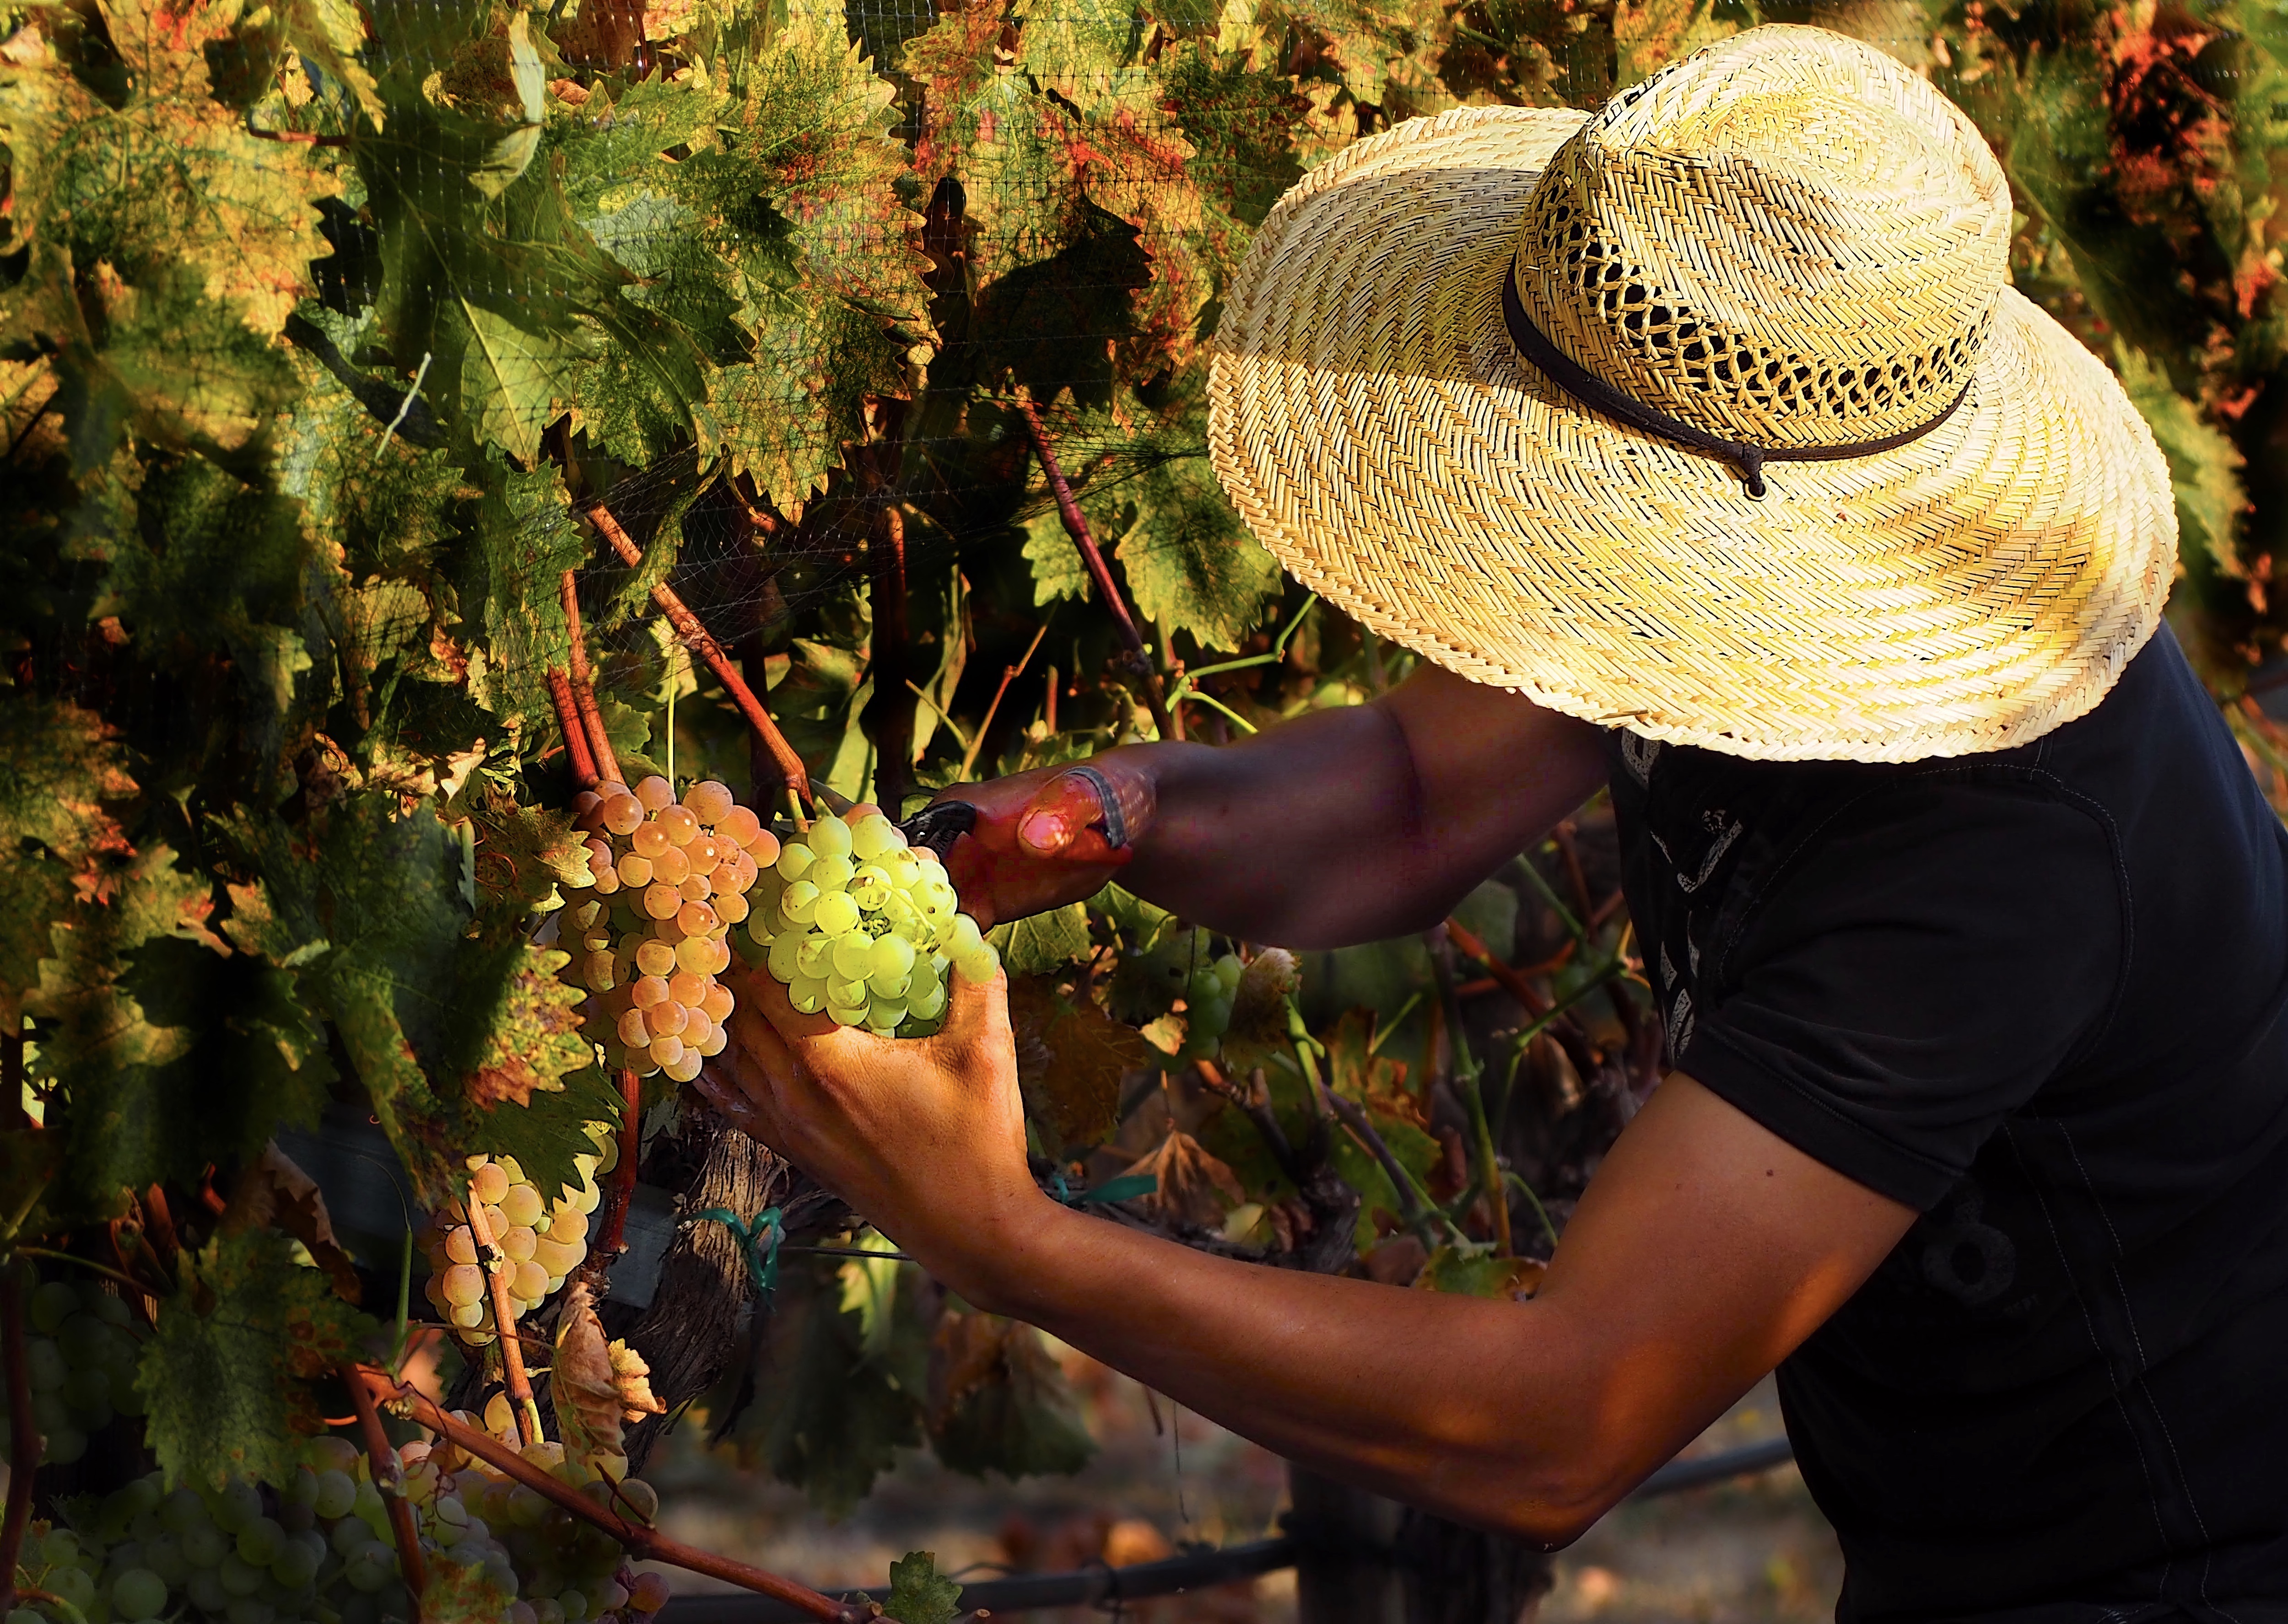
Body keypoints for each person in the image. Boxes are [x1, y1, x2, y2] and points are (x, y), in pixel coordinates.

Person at [703, 26, 2288, 1621]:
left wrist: (1003, 1239)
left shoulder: (1997, 847)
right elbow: (1410, 793)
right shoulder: (1707, 572)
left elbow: (1563, 1419)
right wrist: (1134, 812)